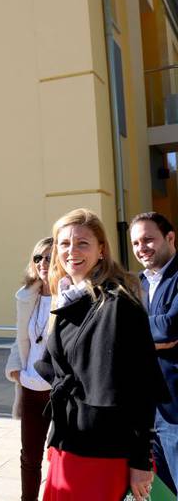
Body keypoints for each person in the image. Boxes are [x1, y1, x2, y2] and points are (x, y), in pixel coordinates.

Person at [35, 208, 167, 501]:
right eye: (64, 244)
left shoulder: (119, 304)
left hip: (105, 454)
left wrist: (140, 462)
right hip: (68, 445)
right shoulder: (69, 296)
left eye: (83, 243)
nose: (72, 251)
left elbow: (141, 388)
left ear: (101, 249)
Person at [130, 211, 178, 497]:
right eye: (136, 243)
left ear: (170, 238)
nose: (141, 248)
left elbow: (171, 327)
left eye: (149, 240)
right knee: (160, 493)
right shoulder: (138, 282)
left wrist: (132, 333)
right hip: (147, 414)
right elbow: (117, 328)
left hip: (176, 409)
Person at [5, 237, 53, 501]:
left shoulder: (69, 293)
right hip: (30, 388)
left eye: (48, 256)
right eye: (38, 258)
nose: (43, 263)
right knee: (30, 457)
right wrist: (16, 371)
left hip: (58, 390)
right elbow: (20, 338)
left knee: (59, 456)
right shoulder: (27, 296)